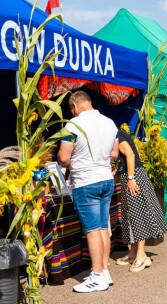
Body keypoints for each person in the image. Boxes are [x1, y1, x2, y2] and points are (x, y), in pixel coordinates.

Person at [57, 90, 119, 293]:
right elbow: (114, 154)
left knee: (92, 231)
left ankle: (96, 275)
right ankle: (104, 271)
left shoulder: (73, 125)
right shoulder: (110, 123)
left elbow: (64, 158)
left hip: (86, 181)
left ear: (74, 106)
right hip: (106, 179)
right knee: (102, 227)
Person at [114, 129, 167, 272]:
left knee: (137, 214)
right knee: (130, 215)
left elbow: (130, 154)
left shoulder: (116, 134)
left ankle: (141, 255)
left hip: (133, 176)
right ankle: (133, 252)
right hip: (129, 176)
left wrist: (131, 178)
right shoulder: (117, 134)